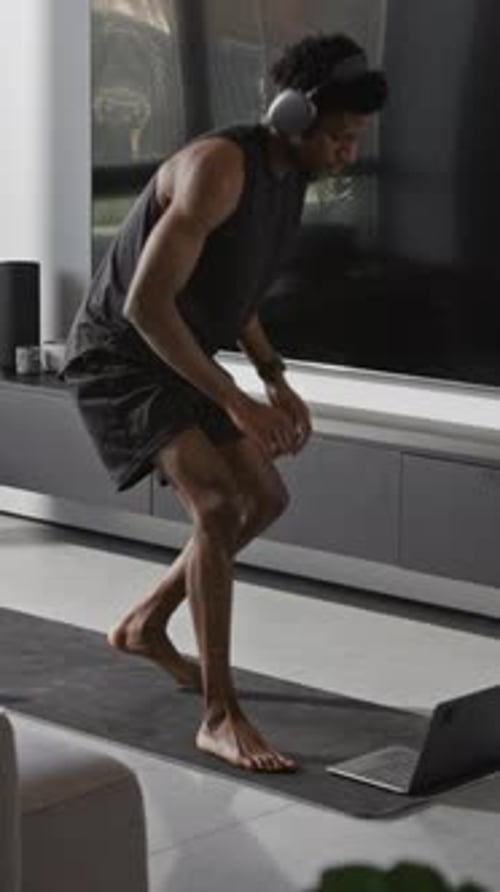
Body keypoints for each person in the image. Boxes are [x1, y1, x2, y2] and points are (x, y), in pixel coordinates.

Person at [61, 32, 388, 773]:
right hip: (122, 356)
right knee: (215, 507)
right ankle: (219, 714)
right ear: (295, 115)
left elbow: (232, 291)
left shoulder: (288, 180)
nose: (345, 153)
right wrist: (239, 402)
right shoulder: (218, 167)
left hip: (180, 351)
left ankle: (147, 623)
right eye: (337, 137)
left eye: (353, 139)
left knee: (264, 500)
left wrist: (274, 375)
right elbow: (147, 306)